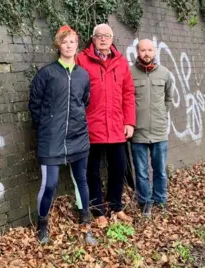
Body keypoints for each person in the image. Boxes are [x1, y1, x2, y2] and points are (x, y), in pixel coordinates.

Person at [28, 25, 97, 245]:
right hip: (52, 140)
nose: (69, 45)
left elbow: (83, 102)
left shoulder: (83, 75)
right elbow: (35, 104)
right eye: (65, 42)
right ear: (59, 45)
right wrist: (48, 126)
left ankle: (86, 222)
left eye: (73, 42)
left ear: (77, 46)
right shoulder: (46, 73)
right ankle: (43, 224)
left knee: (81, 181)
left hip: (78, 138)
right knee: (50, 184)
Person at [76, 24, 136, 225]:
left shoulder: (120, 62)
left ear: (112, 39)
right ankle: (98, 212)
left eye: (107, 36)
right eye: (99, 36)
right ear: (93, 39)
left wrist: (129, 121)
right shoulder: (82, 60)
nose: (103, 39)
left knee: (118, 168)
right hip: (91, 127)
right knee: (92, 172)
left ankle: (116, 206)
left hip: (116, 127)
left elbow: (128, 93)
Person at [130, 39, 172, 217]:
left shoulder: (165, 73)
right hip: (138, 132)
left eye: (149, 50)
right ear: (137, 52)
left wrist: (161, 116)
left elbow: (168, 99)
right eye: (143, 50)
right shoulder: (129, 73)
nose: (146, 53)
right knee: (141, 171)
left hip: (159, 132)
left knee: (160, 170)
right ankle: (145, 202)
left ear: (154, 52)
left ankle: (160, 200)